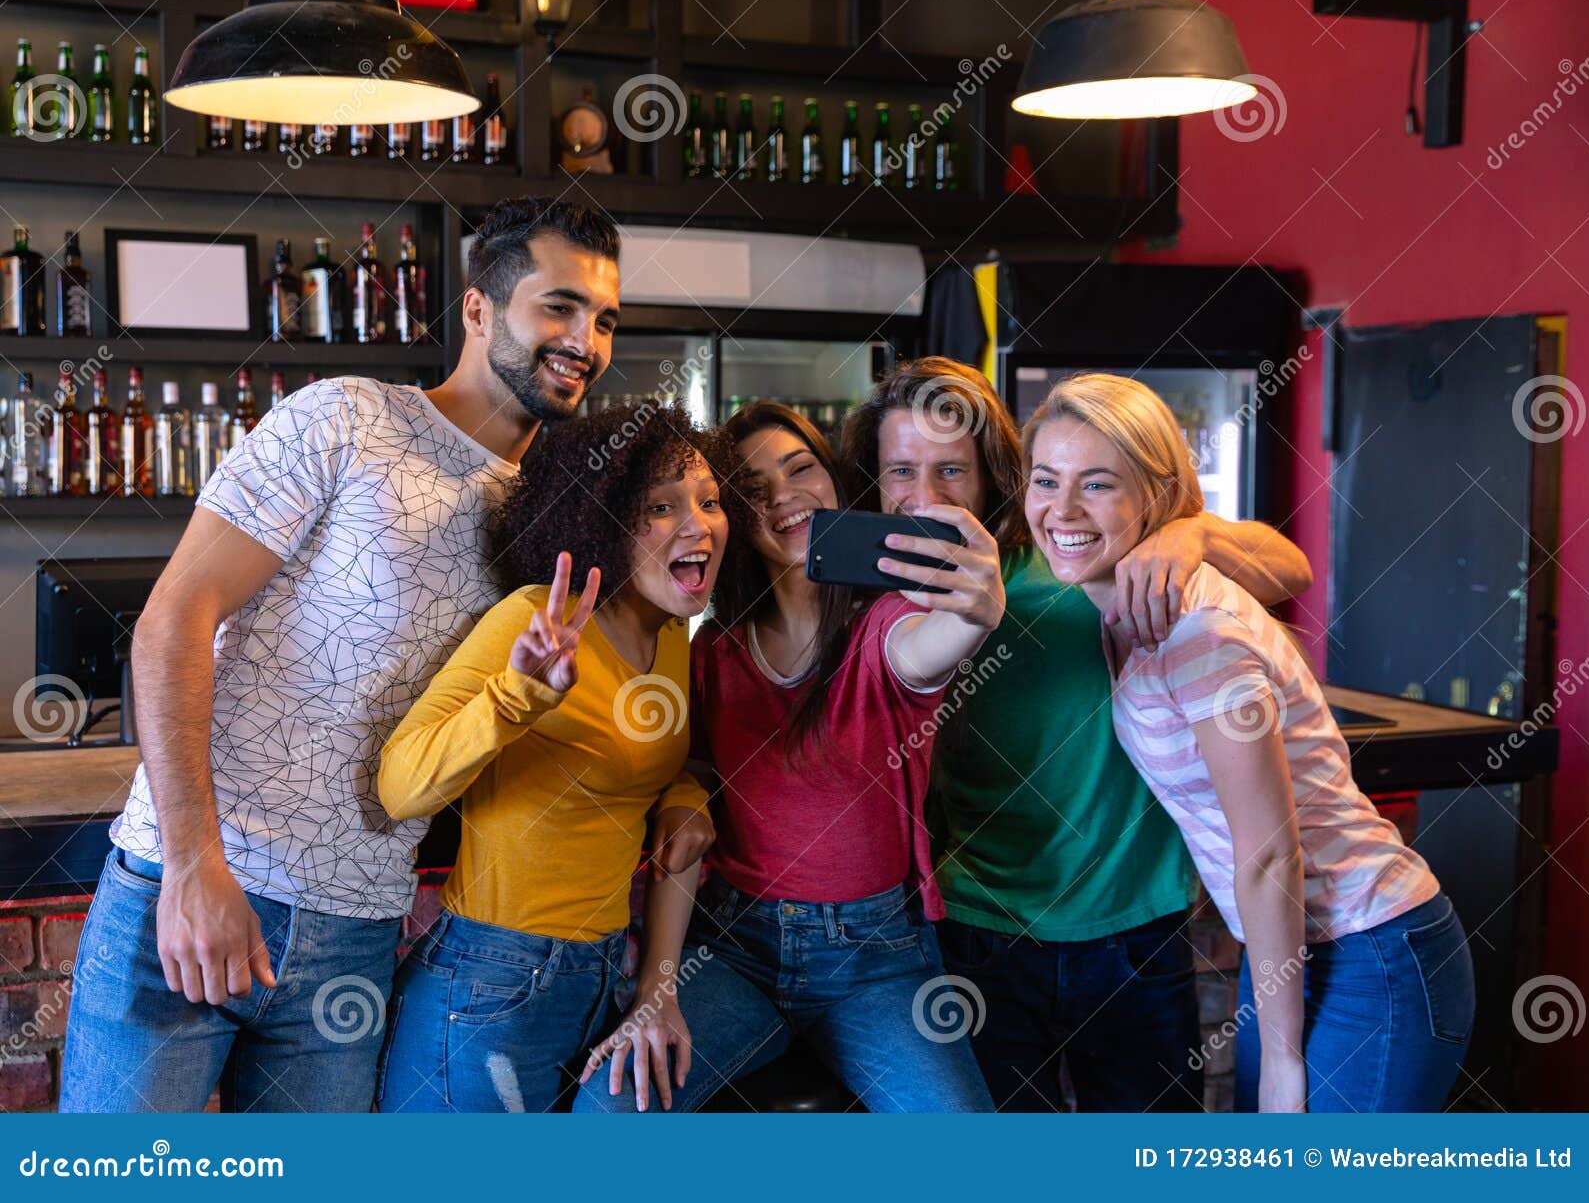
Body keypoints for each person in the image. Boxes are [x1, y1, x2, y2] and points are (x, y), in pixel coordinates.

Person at [58, 197, 702, 1113]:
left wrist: (681, 786)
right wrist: (196, 865)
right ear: (479, 308)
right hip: (195, 889)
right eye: (557, 306)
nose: (585, 339)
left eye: (604, 320)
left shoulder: (557, 511)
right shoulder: (344, 418)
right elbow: (173, 619)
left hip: (356, 932)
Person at [837, 356, 1313, 1112]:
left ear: (994, 474)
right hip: (981, 931)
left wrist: (1188, 535)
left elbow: (1290, 566)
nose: (924, 497)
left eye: (951, 470)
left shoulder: (1075, 553)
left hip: (1135, 930)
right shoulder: (882, 601)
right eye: (901, 470)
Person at [1022, 372, 1471, 1113]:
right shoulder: (1123, 606)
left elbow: (1268, 851)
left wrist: (1281, 1063)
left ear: (1154, 497)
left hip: (1374, 952)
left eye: (1097, 484)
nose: (1062, 509)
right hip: (1299, 951)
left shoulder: (1197, 633)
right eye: (1047, 479)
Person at [575, 401, 1000, 1113]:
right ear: (732, 518)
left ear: (835, 481)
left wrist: (972, 612)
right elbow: (688, 827)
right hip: (737, 949)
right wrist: (659, 987)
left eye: (800, 467)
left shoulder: (886, 622)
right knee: (611, 1110)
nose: (782, 494)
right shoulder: (713, 652)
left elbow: (925, 653)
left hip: (878, 960)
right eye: (750, 488)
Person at [374, 403, 729, 1113]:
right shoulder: (537, 618)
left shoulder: (672, 636)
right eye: (661, 506)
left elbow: (640, 763)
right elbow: (399, 784)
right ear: (600, 518)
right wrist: (518, 694)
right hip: (489, 979)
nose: (699, 524)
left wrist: (687, 794)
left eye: (710, 500)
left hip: (599, 975)